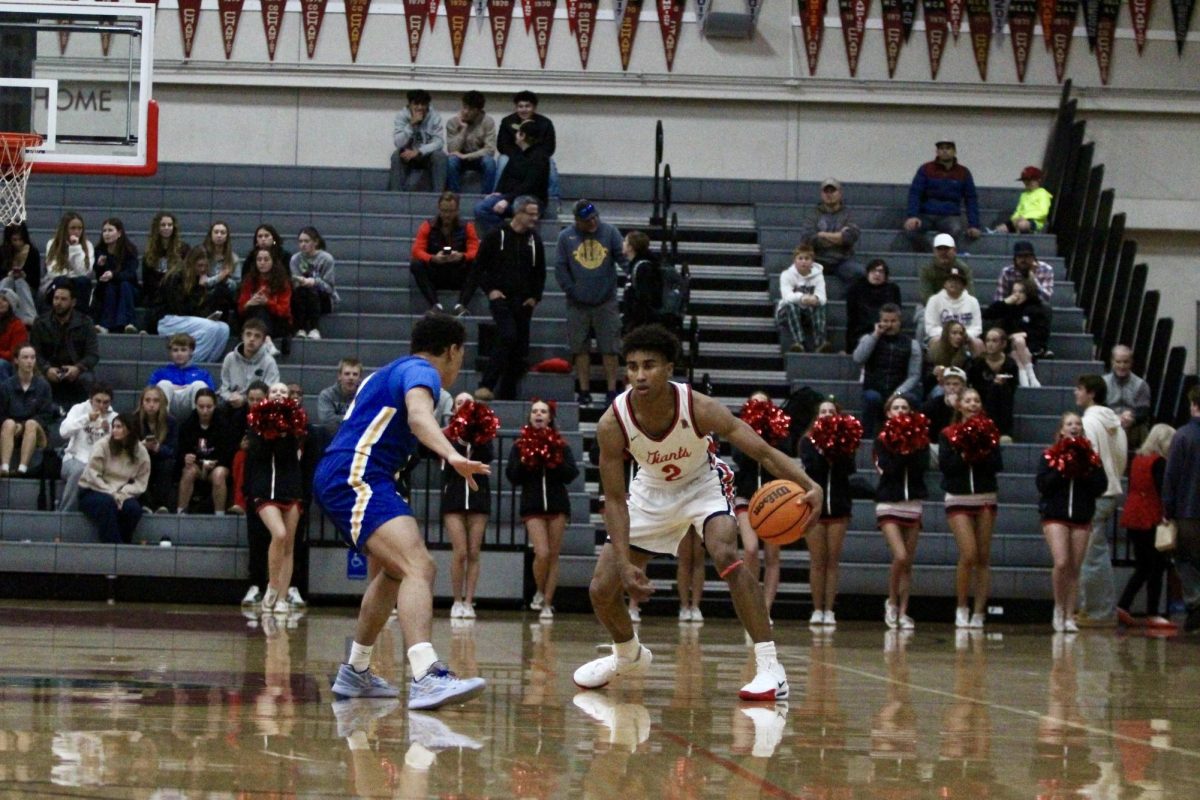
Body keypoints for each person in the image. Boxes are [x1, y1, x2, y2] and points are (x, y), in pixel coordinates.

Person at [572, 324, 823, 701]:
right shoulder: (613, 422)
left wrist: (809, 485)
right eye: (633, 366)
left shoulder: (698, 407)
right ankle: (628, 654)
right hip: (650, 491)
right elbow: (613, 499)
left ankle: (771, 667)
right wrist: (624, 564)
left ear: (669, 368)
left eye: (650, 365)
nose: (640, 374)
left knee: (725, 554)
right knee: (601, 590)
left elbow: (763, 452)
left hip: (703, 483)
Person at [314, 313, 490, 708]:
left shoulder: (388, 371)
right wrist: (450, 453)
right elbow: (418, 415)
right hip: (355, 473)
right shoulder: (421, 372)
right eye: (461, 356)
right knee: (419, 565)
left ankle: (356, 671)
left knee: (397, 571)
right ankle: (427, 675)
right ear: (452, 351)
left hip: (355, 473)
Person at [507, 398, 579, 620]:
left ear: (550, 417)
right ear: (530, 416)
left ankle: (548, 603)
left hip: (557, 504)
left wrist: (553, 460)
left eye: (543, 411)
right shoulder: (519, 445)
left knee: (554, 555)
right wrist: (529, 459)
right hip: (532, 504)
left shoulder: (561, 444)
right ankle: (539, 590)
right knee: (542, 552)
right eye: (535, 411)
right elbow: (512, 475)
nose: (538, 414)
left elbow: (571, 474)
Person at [1037, 412, 1108, 633]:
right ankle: (1058, 608)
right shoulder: (1049, 455)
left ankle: (1070, 614)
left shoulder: (1092, 458)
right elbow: (1043, 485)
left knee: (1075, 568)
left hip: (1081, 516)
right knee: (1061, 563)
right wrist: (1063, 469)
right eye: (1069, 424)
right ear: (1061, 430)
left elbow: (1100, 486)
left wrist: (1082, 469)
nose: (1074, 427)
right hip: (1055, 515)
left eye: (1078, 424)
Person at [939, 387, 1003, 628]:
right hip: (958, 496)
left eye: (976, 400)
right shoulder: (948, 433)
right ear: (960, 405)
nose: (973, 404)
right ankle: (961, 606)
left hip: (985, 496)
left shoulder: (991, 432)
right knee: (969, 554)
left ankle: (979, 612)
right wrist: (966, 451)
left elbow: (997, 464)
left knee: (983, 557)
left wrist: (982, 449)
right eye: (968, 400)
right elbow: (946, 466)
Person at [555, 200, 626, 406]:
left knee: (610, 348)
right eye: (588, 220)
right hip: (577, 302)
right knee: (580, 348)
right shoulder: (565, 237)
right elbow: (560, 268)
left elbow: (622, 258)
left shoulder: (610, 232)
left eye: (595, 217)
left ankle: (612, 390)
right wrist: (572, 290)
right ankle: (583, 390)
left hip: (606, 300)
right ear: (577, 221)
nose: (593, 223)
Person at [474, 195, 545, 401]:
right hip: (501, 299)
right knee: (507, 335)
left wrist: (535, 297)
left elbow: (540, 272)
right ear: (518, 213)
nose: (535, 218)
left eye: (536, 214)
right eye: (531, 214)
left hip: (524, 302)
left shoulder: (534, 240)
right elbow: (479, 267)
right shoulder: (497, 235)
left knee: (519, 348)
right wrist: (490, 291)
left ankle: (507, 393)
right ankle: (486, 384)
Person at [247, 382, 307, 614]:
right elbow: (257, 452)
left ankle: (281, 599)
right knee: (279, 534)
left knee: (289, 546)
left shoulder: (297, 421)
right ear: (267, 397)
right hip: (264, 488)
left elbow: (294, 454)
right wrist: (270, 429)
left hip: (290, 487)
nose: (280, 394)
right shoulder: (256, 420)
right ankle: (272, 585)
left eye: (284, 391)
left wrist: (287, 430)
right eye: (275, 391)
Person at [1075, 374, 1128, 627]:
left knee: (1092, 556)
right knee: (1097, 553)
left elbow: (1089, 459)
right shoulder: (1114, 422)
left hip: (1096, 493)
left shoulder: (1087, 422)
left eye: (1080, 389)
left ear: (1091, 393)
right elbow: (1121, 457)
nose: (1076, 393)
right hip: (1111, 489)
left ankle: (1099, 612)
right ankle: (1097, 608)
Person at [798, 399, 856, 627]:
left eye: (831, 412)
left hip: (839, 506)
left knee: (833, 560)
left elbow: (849, 469)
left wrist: (838, 448)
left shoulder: (846, 441)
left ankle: (829, 610)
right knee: (817, 561)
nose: (827, 415)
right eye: (822, 411)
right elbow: (812, 468)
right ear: (816, 416)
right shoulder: (807, 441)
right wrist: (824, 448)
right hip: (814, 508)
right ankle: (816, 609)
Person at [874, 393, 929, 629]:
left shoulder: (921, 440)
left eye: (904, 407)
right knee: (901, 556)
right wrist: (900, 446)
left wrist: (912, 444)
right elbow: (887, 469)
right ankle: (891, 601)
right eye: (895, 407)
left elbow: (922, 468)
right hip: (888, 502)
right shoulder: (881, 439)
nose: (900, 411)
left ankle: (904, 611)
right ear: (888, 413)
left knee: (908, 562)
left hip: (913, 504)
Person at [1116, 423, 1177, 629]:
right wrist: (1169, 514)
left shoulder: (1137, 460)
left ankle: (1124, 604)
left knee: (1142, 565)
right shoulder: (1159, 462)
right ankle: (1152, 613)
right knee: (1157, 566)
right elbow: (1163, 491)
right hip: (1150, 516)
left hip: (1133, 515)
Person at [442, 392, 494, 620]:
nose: (464, 405)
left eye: (468, 402)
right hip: (453, 497)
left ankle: (469, 602)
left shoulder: (483, 435)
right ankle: (456, 601)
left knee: (474, 551)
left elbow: (488, 456)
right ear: (453, 408)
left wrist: (477, 434)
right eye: (459, 402)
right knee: (460, 551)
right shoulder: (445, 435)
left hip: (478, 497)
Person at [77, 413, 150, 544]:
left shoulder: (140, 451)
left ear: (130, 429)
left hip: (123, 493)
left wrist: (123, 493)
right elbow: (93, 475)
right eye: (114, 426)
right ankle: (115, 547)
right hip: (93, 490)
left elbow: (141, 480)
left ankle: (122, 544)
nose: (114, 430)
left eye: (119, 427)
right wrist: (111, 493)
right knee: (107, 504)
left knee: (133, 509)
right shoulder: (102, 445)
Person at [853, 304, 923, 438]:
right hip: (874, 388)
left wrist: (898, 393)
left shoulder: (912, 344)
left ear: (899, 322)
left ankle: (912, 438)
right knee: (871, 398)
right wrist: (875, 335)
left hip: (900, 389)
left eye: (893, 321)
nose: (889, 325)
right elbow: (858, 358)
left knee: (912, 400)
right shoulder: (868, 339)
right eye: (885, 321)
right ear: (879, 322)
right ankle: (867, 439)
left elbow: (914, 375)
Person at [1163, 386, 1200, 632]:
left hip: (1188, 511)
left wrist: (1168, 508)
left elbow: (1171, 476)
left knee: (1184, 559)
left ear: (1193, 404)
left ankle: (1195, 604)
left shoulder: (1183, 436)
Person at [154, 249, 232, 363]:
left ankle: (206, 363)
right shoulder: (175, 277)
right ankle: (191, 364)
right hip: (168, 319)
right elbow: (180, 308)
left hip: (185, 319)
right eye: (199, 265)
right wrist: (200, 289)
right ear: (191, 263)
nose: (202, 269)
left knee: (224, 329)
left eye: (205, 266)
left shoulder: (198, 279)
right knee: (211, 327)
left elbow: (196, 310)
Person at [903, 140, 982, 251]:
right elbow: (915, 193)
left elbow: (971, 199)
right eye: (941, 149)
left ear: (954, 152)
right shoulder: (925, 169)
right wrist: (912, 216)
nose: (945, 151)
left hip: (950, 215)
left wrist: (974, 225)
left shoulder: (963, 172)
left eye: (948, 148)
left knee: (955, 230)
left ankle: (941, 255)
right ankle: (931, 254)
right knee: (911, 229)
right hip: (926, 214)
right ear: (937, 152)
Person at [473, 121, 550, 234]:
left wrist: (507, 199)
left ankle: (508, 236)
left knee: (522, 210)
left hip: (532, 200)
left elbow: (529, 186)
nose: (516, 135)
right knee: (481, 209)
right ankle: (504, 235)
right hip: (511, 197)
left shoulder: (540, 157)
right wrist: (498, 192)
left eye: (518, 132)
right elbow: (505, 175)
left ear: (523, 135)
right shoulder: (517, 153)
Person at [409, 192, 480, 315]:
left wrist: (462, 256)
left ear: (457, 210)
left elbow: (476, 251)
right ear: (439, 209)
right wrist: (433, 258)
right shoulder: (428, 225)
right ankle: (435, 305)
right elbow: (416, 250)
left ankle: (461, 305)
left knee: (478, 264)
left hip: (458, 272)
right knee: (416, 264)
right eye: (444, 211)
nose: (447, 215)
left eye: (451, 211)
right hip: (436, 271)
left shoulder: (467, 227)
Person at [30, 283, 98, 407]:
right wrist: (46, 369)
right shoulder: (40, 322)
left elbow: (92, 355)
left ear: (73, 302)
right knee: (37, 380)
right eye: (56, 298)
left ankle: (87, 417)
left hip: (76, 369)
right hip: (49, 368)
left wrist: (78, 368)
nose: (58, 303)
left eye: (63, 299)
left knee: (88, 380)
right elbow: (35, 352)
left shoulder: (85, 323)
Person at [176, 388, 236, 515]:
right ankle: (180, 513)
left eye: (209, 407)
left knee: (219, 475)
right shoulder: (187, 424)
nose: (205, 411)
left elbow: (229, 452)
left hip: (218, 465)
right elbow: (180, 451)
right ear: (195, 406)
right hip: (196, 465)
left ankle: (219, 515)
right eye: (201, 407)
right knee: (188, 472)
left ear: (215, 406)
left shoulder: (224, 425)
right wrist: (185, 458)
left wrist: (215, 463)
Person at [983, 277, 1051, 388]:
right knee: (1015, 346)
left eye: (1021, 292)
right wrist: (1005, 302)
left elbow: (1042, 332)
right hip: (1009, 342)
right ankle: (1030, 376)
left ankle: (1025, 376)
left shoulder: (1037, 308)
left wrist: (1025, 334)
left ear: (1028, 293)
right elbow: (987, 314)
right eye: (1014, 292)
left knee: (1017, 348)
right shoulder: (1008, 307)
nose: (1017, 295)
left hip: (1031, 343)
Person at [58, 383, 116, 512]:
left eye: (106, 403)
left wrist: (109, 431)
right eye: (98, 401)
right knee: (80, 471)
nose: (101, 406)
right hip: (74, 458)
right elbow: (63, 432)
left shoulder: (113, 417)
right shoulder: (79, 409)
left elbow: (119, 447)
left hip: (100, 464)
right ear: (91, 400)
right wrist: (87, 418)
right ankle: (64, 514)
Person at [797, 178, 862, 287]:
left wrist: (821, 234)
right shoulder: (813, 215)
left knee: (860, 273)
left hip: (842, 260)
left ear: (840, 193)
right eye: (826, 191)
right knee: (797, 273)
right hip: (817, 259)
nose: (829, 194)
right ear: (821, 194)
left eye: (833, 191)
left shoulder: (848, 215)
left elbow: (850, 237)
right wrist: (838, 237)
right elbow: (807, 239)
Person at [0, 344, 54, 475]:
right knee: (8, 423)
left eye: (32, 357)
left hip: (36, 430)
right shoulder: (6, 386)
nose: (29, 361)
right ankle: (5, 467)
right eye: (25, 357)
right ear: (16, 360)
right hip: (12, 429)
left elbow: (46, 415)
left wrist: (22, 426)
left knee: (31, 424)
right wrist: (15, 425)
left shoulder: (43, 385)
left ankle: (22, 468)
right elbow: (1, 413)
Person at [496, 90, 558, 201]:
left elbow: (549, 147)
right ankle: (498, 195)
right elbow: (502, 145)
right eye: (520, 106)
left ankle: (554, 200)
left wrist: (529, 151)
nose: (523, 110)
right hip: (513, 156)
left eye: (527, 106)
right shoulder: (507, 122)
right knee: (502, 161)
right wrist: (518, 155)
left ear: (534, 107)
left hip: (536, 156)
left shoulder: (545, 123)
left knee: (550, 165)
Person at [131, 385, 178, 514]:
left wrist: (158, 448)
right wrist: (141, 446)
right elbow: (127, 448)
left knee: (167, 464)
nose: (151, 404)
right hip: (140, 459)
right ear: (142, 402)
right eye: (147, 400)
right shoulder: (133, 420)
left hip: (160, 459)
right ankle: (145, 504)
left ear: (162, 403)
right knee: (139, 463)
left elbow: (174, 450)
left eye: (156, 401)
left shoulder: (170, 421)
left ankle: (161, 505)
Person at [389, 89, 447, 192]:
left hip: (427, 156)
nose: (420, 107)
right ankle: (396, 196)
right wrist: (411, 125)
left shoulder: (434, 117)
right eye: (416, 104)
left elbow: (439, 142)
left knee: (440, 156)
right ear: (410, 105)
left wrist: (420, 151)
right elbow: (398, 143)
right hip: (408, 156)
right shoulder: (401, 116)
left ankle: (438, 196)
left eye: (423, 104)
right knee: (396, 155)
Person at [775, 244, 830, 353]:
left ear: (812, 261)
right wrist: (802, 297)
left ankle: (820, 343)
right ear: (795, 260)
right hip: (786, 314)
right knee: (791, 305)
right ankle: (799, 342)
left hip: (808, 313)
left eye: (807, 258)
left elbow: (822, 296)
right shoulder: (786, 275)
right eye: (800, 258)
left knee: (820, 305)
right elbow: (786, 297)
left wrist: (816, 298)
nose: (803, 261)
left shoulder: (818, 276)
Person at [148, 333, 217, 419]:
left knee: (199, 385)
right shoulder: (160, 373)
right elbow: (149, 394)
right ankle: (162, 425)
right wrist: (182, 387)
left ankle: (197, 425)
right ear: (170, 352)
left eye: (183, 350)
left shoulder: (203, 374)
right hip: (169, 406)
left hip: (192, 405)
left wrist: (178, 387)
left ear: (191, 351)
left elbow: (211, 397)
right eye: (175, 350)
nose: (179, 354)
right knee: (163, 384)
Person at [90, 217, 140, 334]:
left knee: (124, 284)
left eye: (110, 230)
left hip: (128, 288)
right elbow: (99, 277)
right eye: (104, 231)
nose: (106, 234)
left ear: (119, 233)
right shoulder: (99, 250)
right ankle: (105, 325)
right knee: (110, 287)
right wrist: (100, 266)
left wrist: (113, 275)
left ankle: (128, 322)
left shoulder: (129, 250)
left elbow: (130, 273)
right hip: (107, 288)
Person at [966, 328, 1019, 438]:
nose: (990, 344)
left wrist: (1001, 384)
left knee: (1001, 389)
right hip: (982, 402)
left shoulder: (1010, 364)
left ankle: (1004, 432)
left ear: (1003, 344)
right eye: (988, 341)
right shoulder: (977, 363)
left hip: (1003, 403)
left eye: (994, 341)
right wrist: (992, 385)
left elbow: (1013, 387)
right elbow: (973, 386)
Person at [238, 246, 292, 351]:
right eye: (259, 260)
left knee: (261, 308)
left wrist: (267, 302)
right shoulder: (249, 280)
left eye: (266, 260)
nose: (262, 263)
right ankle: (267, 340)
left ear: (273, 261)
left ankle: (266, 338)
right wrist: (249, 303)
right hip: (253, 319)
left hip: (278, 321)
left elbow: (284, 311)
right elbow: (240, 308)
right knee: (257, 308)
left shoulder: (283, 282)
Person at [219, 319, 281, 411]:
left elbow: (270, 390)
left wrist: (244, 399)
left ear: (263, 341)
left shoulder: (269, 362)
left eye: (257, 336)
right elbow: (224, 388)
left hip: (257, 405)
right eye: (248, 334)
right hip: (231, 403)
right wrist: (230, 397)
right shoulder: (230, 358)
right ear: (242, 336)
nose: (252, 339)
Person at [289, 226, 338, 339]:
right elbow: (295, 284)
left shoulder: (326, 259)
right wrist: (301, 282)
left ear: (315, 242)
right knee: (301, 292)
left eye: (307, 241)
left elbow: (330, 288)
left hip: (323, 298)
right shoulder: (295, 259)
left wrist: (315, 282)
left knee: (311, 290)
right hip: (302, 296)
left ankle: (314, 328)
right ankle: (300, 328)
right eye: (300, 241)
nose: (303, 244)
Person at [445, 90, 498, 193]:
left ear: (478, 110)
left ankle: (486, 198)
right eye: (464, 107)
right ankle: (454, 196)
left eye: (470, 109)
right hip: (459, 159)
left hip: (478, 158)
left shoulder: (487, 121)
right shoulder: (453, 122)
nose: (465, 111)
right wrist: (463, 129)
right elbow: (452, 150)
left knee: (490, 162)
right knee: (451, 161)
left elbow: (490, 150)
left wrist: (466, 156)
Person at [845, 259, 901, 354]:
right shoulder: (856, 289)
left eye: (881, 272)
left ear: (886, 276)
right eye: (873, 271)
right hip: (861, 332)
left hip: (887, 330)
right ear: (867, 273)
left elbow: (896, 315)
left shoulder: (893, 290)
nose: (877, 274)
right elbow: (852, 318)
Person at [1103, 345, 1153, 450]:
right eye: (1118, 362)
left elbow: (1144, 411)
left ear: (1131, 362)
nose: (1122, 366)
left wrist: (1132, 418)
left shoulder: (1141, 384)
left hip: (1133, 425)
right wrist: (1116, 418)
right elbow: (1098, 406)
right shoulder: (1103, 383)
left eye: (1126, 362)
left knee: (1142, 428)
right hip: (1110, 424)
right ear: (1112, 362)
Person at [39, 212, 93, 307]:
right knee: (62, 280)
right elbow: (53, 272)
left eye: (79, 228)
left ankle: (80, 317)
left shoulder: (88, 245)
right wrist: (71, 275)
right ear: (65, 229)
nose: (76, 232)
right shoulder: (52, 244)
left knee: (83, 281)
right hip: (57, 282)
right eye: (73, 228)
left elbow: (83, 272)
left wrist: (75, 248)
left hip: (78, 282)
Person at [924, 267, 982, 354]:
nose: (953, 283)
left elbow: (977, 327)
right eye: (950, 280)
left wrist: (963, 335)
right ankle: (939, 367)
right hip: (941, 337)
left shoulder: (973, 301)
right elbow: (931, 327)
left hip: (965, 338)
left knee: (978, 343)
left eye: (957, 281)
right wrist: (950, 335)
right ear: (944, 284)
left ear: (963, 285)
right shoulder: (934, 300)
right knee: (934, 341)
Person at [142, 212, 189, 312]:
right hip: (156, 291)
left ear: (174, 227)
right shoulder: (150, 251)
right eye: (163, 225)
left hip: (175, 291)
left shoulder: (183, 249)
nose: (167, 227)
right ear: (157, 228)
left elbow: (186, 274)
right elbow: (146, 277)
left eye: (170, 225)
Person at [620, 231, 663, 333]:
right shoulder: (636, 266)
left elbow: (644, 298)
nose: (622, 243)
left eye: (625, 241)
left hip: (641, 324)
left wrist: (634, 322)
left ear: (631, 247)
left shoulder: (643, 268)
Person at [991, 166, 1053, 234]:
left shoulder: (1043, 193)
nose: (1027, 182)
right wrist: (1014, 219)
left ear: (1038, 180)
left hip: (1035, 222)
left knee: (1022, 225)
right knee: (1001, 228)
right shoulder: (1024, 195)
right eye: (1025, 180)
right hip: (1020, 219)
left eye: (1030, 180)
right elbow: (1018, 210)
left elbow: (1043, 212)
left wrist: (1025, 217)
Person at [0, 222, 41, 324]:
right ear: (9, 240)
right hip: (6, 286)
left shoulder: (32, 252)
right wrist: (8, 274)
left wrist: (24, 276)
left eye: (20, 240)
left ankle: (29, 318)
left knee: (20, 282)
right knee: (8, 280)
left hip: (26, 288)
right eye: (15, 240)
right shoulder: (2, 252)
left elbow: (36, 281)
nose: (18, 243)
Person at [199, 220, 240, 319]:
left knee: (221, 290)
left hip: (225, 295)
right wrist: (220, 277)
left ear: (227, 237)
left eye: (222, 232)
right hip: (205, 294)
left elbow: (237, 284)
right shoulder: (202, 255)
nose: (219, 235)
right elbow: (202, 282)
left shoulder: (233, 258)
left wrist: (225, 280)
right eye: (216, 232)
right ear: (211, 235)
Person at [924, 320, 971, 398]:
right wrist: (933, 373)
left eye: (961, 334)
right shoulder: (932, 354)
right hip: (937, 388)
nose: (958, 337)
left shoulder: (966, 356)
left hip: (958, 388)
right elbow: (925, 381)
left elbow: (967, 379)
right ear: (946, 335)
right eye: (954, 333)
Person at [318, 357, 363, 433]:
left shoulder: (365, 395)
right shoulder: (327, 395)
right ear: (339, 376)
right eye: (347, 374)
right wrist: (355, 420)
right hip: (332, 439)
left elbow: (367, 420)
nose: (351, 377)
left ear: (360, 378)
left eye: (355, 374)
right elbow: (327, 421)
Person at [921, 365, 967, 439]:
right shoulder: (931, 405)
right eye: (948, 384)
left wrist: (955, 407)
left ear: (963, 386)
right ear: (943, 386)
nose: (951, 387)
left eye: (956, 384)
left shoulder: (968, 405)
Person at [0, 289, 28, 382]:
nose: (0, 301)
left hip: (10, 365)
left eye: (4, 299)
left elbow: (15, 354)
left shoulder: (17, 325)